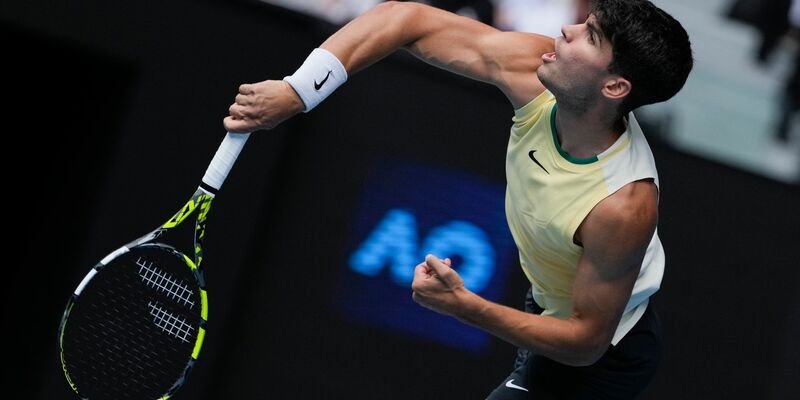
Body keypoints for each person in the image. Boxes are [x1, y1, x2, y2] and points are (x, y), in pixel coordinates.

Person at [224, 0, 693, 398]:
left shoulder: (622, 205)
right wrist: (298, 91)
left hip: (600, 362)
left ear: (614, 87)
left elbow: (586, 342)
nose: (565, 31)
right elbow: (405, 19)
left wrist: (465, 305)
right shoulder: (536, 68)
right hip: (549, 309)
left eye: (589, 37)